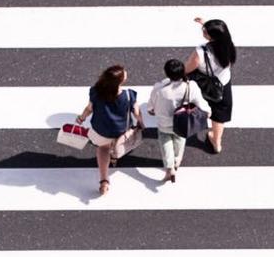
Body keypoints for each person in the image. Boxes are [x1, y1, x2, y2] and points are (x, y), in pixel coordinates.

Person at [75, 65, 142, 196]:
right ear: (120, 81)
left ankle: (104, 180)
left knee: (103, 148)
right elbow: (136, 112)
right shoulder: (128, 95)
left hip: (101, 130)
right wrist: (141, 123)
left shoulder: (96, 92)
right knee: (117, 145)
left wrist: (81, 118)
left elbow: (89, 109)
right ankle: (115, 157)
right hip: (121, 130)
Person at [146, 58, 206, 183]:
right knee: (180, 139)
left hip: (164, 122)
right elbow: (201, 103)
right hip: (182, 121)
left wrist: (151, 110)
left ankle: (169, 168)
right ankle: (176, 161)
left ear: (167, 73)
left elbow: (151, 106)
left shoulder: (159, 88)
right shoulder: (191, 87)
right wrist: (208, 112)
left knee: (165, 140)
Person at [184, 17, 236, 154]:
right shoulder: (229, 46)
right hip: (222, 84)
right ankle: (216, 142)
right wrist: (206, 24)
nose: (203, 31)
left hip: (203, 84)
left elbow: (188, 69)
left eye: (205, 31)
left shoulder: (201, 52)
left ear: (210, 36)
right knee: (219, 114)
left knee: (195, 103)